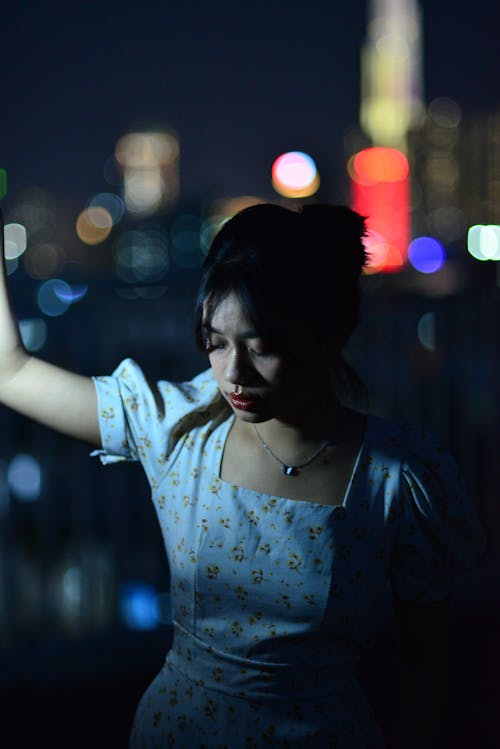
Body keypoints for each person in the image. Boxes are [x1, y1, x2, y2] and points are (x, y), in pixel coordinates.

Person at [0, 203, 486, 748]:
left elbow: (425, 677)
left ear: (333, 333)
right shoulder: (180, 430)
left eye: (262, 347)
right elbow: (8, 369)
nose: (233, 374)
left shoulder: (398, 479)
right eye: (215, 342)